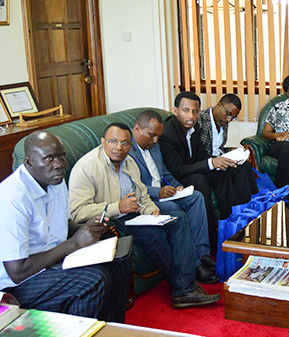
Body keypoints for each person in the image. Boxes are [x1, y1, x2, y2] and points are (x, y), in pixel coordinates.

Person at [68, 123, 221, 308]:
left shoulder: (129, 162)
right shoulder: (87, 166)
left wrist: (152, 211)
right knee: (153, 235)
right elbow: (77, 212)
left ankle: (185, 287)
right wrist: (117, 207)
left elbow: (142, 194)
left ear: (130, 145)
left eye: (124, 143)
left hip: (135, 215)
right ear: (102, 142)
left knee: (178, 218)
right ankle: (185, 288)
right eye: (113, 141)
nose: (119, 147)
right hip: (112, 221)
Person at [0, 131, 130, 322]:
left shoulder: (56, 181)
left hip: (54, 259)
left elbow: (63, 225)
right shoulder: (12, 198)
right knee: (93, 281)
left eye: (61, 156)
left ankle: (111, 331)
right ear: (28, 162)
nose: (59, 164)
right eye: (49, 158)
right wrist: (75, 244)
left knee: (119, 255)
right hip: (19, 283)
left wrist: (88, 228)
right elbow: (17, 272)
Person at [128, 110, 218, 284]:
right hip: (147, 199)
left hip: (164, 192)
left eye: (158, 137)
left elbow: (165, 172)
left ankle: (202, 253)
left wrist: (177, 186)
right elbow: (131, 186)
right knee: (174, 210)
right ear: (137, 129)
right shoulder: (126, 150)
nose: (155, 141)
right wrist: (157, 192)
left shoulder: (154, 146)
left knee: (196, 197)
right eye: (151, 135)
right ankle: (195, 265)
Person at [160, 91, 258, 223]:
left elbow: (200, 153)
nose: (191, 116)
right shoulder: (168, 133)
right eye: (186, 110)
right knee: (200, 179)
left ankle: (234, 219)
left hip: (191, 168)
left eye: (195, 111)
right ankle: (212, 230)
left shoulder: (194, 127)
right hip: (176, 176)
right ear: (175, 111)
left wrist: (218, 162)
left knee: (222, 172)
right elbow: (177, 170)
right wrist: (211, 163)